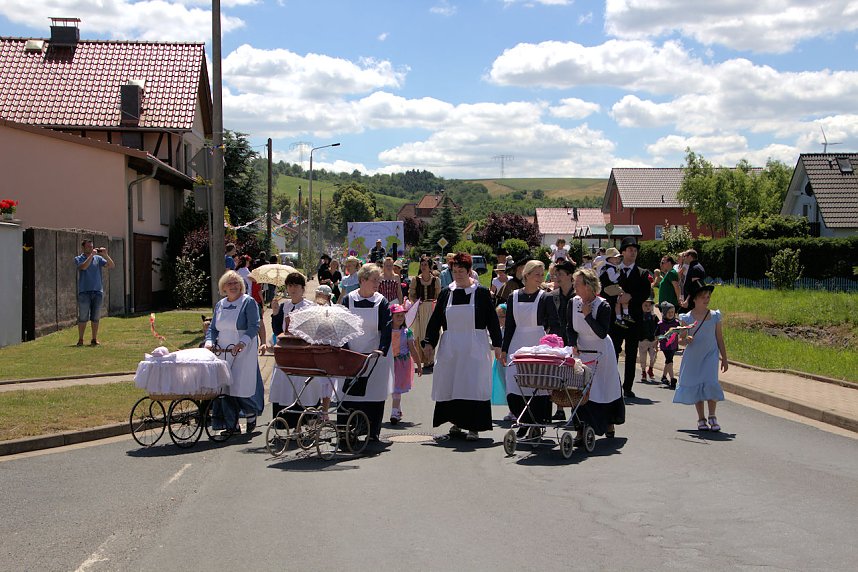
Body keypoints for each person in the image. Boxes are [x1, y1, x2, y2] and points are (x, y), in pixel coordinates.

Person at [423, 253, 502, 441]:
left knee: (473, 385)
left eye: (461, 271)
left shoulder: (481, 293)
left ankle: (474, 427)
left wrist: (498, 344)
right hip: (451, 347)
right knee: (452, 383)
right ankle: (456, 423)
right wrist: (429, 342)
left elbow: (492, 320)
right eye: (454, 271)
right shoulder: (446, 293)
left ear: (469, 272)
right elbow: (435, 321)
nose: (458, 274)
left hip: (475, 347)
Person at [566, 268, 625, 441]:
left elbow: (601, 332)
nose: (575, 288)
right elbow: (570, 327)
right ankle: (580, 428)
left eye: (577, 284)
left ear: (589, 286)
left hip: (601, 350)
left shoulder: (603, 306)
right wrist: (572, 343)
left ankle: (608, 422)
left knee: (603, 387)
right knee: (580, 389)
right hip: (581, 350)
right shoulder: (573, 303)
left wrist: (588, 316)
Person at [340, 263, 394, 441]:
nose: (377, 284)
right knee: (349, 395)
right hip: (351, 355)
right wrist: (345, 350)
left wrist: (382, 349)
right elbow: (342, 327)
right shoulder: (348, 300)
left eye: (379, 280)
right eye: (374, 280)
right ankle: (348, 431)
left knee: (373, 394)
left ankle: (372, 432)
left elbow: (387, 328)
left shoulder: (381, 301)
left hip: (374, 357)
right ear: (362, 280)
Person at [205, 270, 263, 434]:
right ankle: (232, 425)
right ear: (223, 287)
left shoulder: (248, 302)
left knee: (239, 387)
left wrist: (242, 343)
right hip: (223, 350)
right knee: (225, 389)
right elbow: (213, 328)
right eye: (229, 283)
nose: (233, 286)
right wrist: (209, 342)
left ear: (241, 285)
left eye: (236, 283)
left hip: (243, 350)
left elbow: (254, 326)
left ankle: (251, 412)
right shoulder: (220, 305)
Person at [501, 260, 552, 434]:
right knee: (514, 383)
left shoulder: (545, 297)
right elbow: (509, 326)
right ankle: (523, 419)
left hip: (538, 345)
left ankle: (536, 422)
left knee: (538, 384)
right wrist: (504, 349)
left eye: (542, 273)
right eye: (536, 274)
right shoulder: (513, 296)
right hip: (517, 344)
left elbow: (554, 325)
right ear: (527, 275)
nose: (540, 277)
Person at [268, 272, 321, 425]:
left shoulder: (310, 307)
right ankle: (285, 422)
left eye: (296, 285)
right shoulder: (285, 305)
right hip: (286, 352)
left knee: (304, 387)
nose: (292, 289)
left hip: (303, 352)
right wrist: (275, 313)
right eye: (290, 285)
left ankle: (308, 421)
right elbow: (278, 331)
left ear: (303, 288)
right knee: (284, 384)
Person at [674, 282, 728, 432]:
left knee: (711, 382)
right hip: (694, 357)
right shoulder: (687, 318)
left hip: (710, 355)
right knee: (697, 386)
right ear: (695, 299)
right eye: (703, 297)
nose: (707, 299)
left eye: (708, 296)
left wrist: (724, 357)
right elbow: (680, 340)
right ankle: (701, 419)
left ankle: (712, 416)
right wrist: (686, 340)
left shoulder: (715, 316)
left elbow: (719, 338)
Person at [602, 237, 651, 398]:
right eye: (630, 250)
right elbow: (603, 290)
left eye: (635, 251)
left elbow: (645, 293)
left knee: (631, 354)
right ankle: (611, 384)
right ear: (622, 252)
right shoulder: (613, 270)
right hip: (615, 319)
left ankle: (627, 387)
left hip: (633, 319)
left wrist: (630, 297)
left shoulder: (642, 273)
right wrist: (616, 298)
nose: (633, 253)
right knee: (613, 351)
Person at [539, 260, 576, 421]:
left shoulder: (579, 296)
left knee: (575, 376)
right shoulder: (550, 296)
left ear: (570, 276)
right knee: (557, 375)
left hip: (575, 340)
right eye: (555, 274)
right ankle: (559, 408)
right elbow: (544, 320)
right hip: (557, 341)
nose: (557, 277)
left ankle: (576, 408)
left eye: (560, 274)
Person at [74, 239, 115, 346]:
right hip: (84, 292)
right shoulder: (79, 258)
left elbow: (111, 266)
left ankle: (94, 338)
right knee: (83, 317)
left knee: (95, 317)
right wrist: (91, 256)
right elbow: (83, 267)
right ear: (83, 248)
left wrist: (106, 255)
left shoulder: (98, 258)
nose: (91, 248)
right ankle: (81, 339)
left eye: (92, 246)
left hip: (97, 292)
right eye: (88, 247)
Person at [389, 303, 422, 424]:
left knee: (396, 388)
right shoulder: (386, 331)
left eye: (402, 315)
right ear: (391, 316)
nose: (400, 317)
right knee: (392, 388)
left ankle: (394, 412)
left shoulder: (407, 332)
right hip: (389, 362)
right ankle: (397, 409)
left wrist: (418, 364)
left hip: (402, 363)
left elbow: (413, 349)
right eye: (397, 315)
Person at [408, 255, 441, 371]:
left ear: (430, 266)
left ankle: (430, 359)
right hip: (420, 309)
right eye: (422, 265)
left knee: (431, 333)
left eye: (426, 265)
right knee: (420, 334)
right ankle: (423, 359)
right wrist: (415, 303)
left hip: (431, 309)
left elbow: (438, 296)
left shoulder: (435, 280)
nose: (423, 267)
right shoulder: (416, 280)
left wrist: (436, 305)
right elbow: (411, 295)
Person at [657, 302, 680, 389]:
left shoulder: (676, 323)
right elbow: (657, 336)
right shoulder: (660, 324)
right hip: (665, 346)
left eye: (672, 312)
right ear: (664, 313)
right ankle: (672, 379)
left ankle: (663, 377)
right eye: (669, 312)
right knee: (670, 361)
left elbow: (680, 332)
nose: (671, 314)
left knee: (668, 361)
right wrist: (664, 336)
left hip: (674, 345)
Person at [638, 297, 659, 383]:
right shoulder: (639, 317)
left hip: (652, 340)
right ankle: (643, 371)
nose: (647, 307)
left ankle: (650, 368)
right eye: (645, 305)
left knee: (653, 356)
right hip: (642, 340)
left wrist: (657, 338)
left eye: (649, 306)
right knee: (643, 357)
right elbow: (637, 328)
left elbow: (658, 327)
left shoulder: (654, 317)